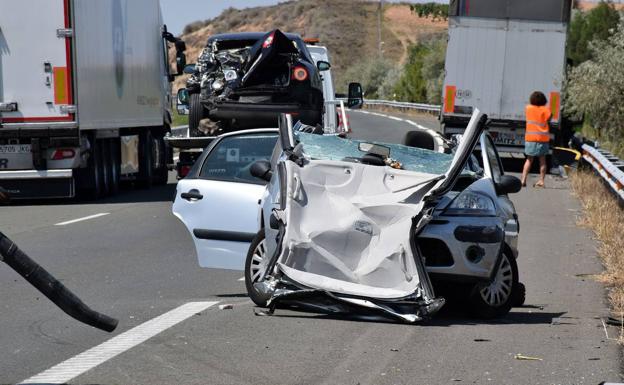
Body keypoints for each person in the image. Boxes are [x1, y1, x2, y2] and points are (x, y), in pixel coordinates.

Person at [521, 91, 552, 188]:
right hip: (542, 139)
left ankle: (523, 180)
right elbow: (550, 118)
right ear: (543, 100)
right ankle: (542, 181)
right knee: (542, 160)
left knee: (529, 160)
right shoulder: (546, 110)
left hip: (530, 138)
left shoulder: (528, 108)